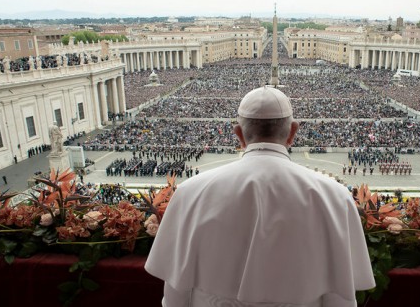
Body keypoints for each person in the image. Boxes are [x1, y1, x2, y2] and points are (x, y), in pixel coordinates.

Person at [145, 86, 375, 306]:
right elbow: (340, 296)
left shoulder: (190, 192)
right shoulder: (335, 197)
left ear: (238, 134)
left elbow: (175, 291)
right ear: (293, 131)